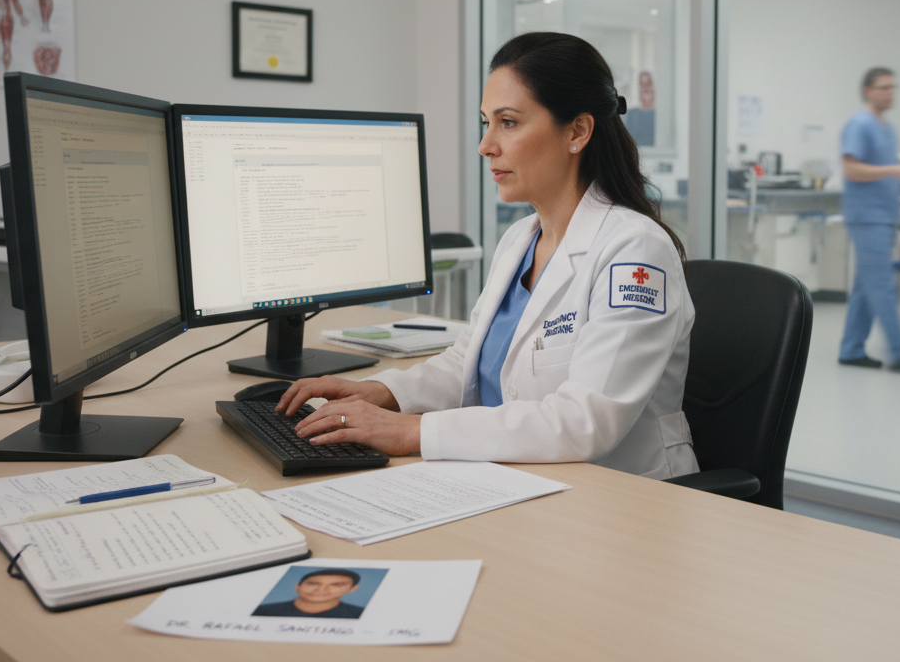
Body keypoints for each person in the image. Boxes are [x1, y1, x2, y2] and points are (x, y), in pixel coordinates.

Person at [274, 32, 698, 479]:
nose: (486, 145)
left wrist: (412, 432)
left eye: (509, 123)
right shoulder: (520, 239)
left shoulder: (635, 251)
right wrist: (384, 392)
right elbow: (466, 364)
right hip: (515, 481)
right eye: (485, 122)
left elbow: (585, 422)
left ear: (577, 131)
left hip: (621, 500)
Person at [837, 67, 900, 371]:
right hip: (868, 216)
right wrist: (896, 171)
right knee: (881, 284)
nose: (890, 93)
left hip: (884, 215)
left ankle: (851, 350)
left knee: (866, 287)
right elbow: (852, 169)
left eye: (893, 87)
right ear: (868, 91)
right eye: (883, 87)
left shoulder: (887, 127)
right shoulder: (860, 124)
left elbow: (887, 162)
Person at [253, 569, 365, 619]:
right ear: (297, 586)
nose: (321, 590)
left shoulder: (360, 614)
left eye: (336, 585)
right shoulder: (262, 611)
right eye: (312, 584)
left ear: (352, 589)